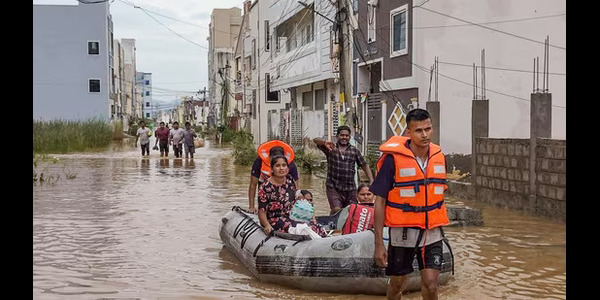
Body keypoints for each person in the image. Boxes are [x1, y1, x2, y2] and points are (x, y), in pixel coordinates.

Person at [371, 108, 450, 300]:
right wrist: (379, 243)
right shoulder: (392, 160)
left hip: (432, 232)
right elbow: (380, 202)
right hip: (402, 233)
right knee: (398, 283)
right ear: (408, 132)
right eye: (419, 130)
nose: (425, 135)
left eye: (428, 129)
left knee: (431, 285)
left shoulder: (439, 157)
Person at [257, 155, 326, 237]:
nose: (281, 168)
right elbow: (262, 211)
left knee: (315, 225)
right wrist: (267, 225)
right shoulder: (265, 186)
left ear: (287, 168)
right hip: (275, 219)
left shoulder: (290, 180)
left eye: (284, 165)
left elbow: (295, 196)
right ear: (272, 169)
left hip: (292, 215)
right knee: (298, 228)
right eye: (277, 166)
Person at [314, 125, 374, 215]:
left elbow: (364, 165)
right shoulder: (330, 148)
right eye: (342, 135)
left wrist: (372, 181)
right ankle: (334, 224)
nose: (344, 137)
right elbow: (315, 140)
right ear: (337, 136)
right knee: (337, 210)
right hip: (333, 186)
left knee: (351, 212)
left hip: (350, 188)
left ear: (349, 137)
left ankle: (345, 228)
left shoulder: (354, 151)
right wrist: (324, 142)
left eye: (347, 136)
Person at [248, 140, 299, 213]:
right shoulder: (260, 161)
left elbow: (296, 187)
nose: (281, 167)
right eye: (276, 164)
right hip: (265, 183)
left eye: (283, 165)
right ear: (269, 157)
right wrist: (251, 207)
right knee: (264, 206)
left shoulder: (290, 164)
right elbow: (253, 184)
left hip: (284, 186)